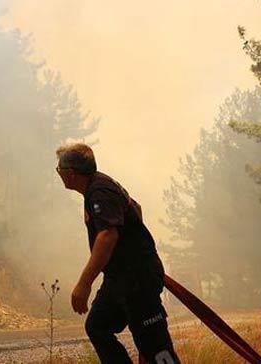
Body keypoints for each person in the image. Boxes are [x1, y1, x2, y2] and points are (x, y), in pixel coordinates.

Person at [55, 143, 180, 364]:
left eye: (59, 169)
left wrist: (84, 284)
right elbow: (136, 208)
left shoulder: (99, 191)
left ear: (70, 173)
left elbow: (107, 236)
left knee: (156, 349)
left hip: (137, 280)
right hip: (120, 279)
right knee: (98, 326)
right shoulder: (99, 186)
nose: (58, 173)